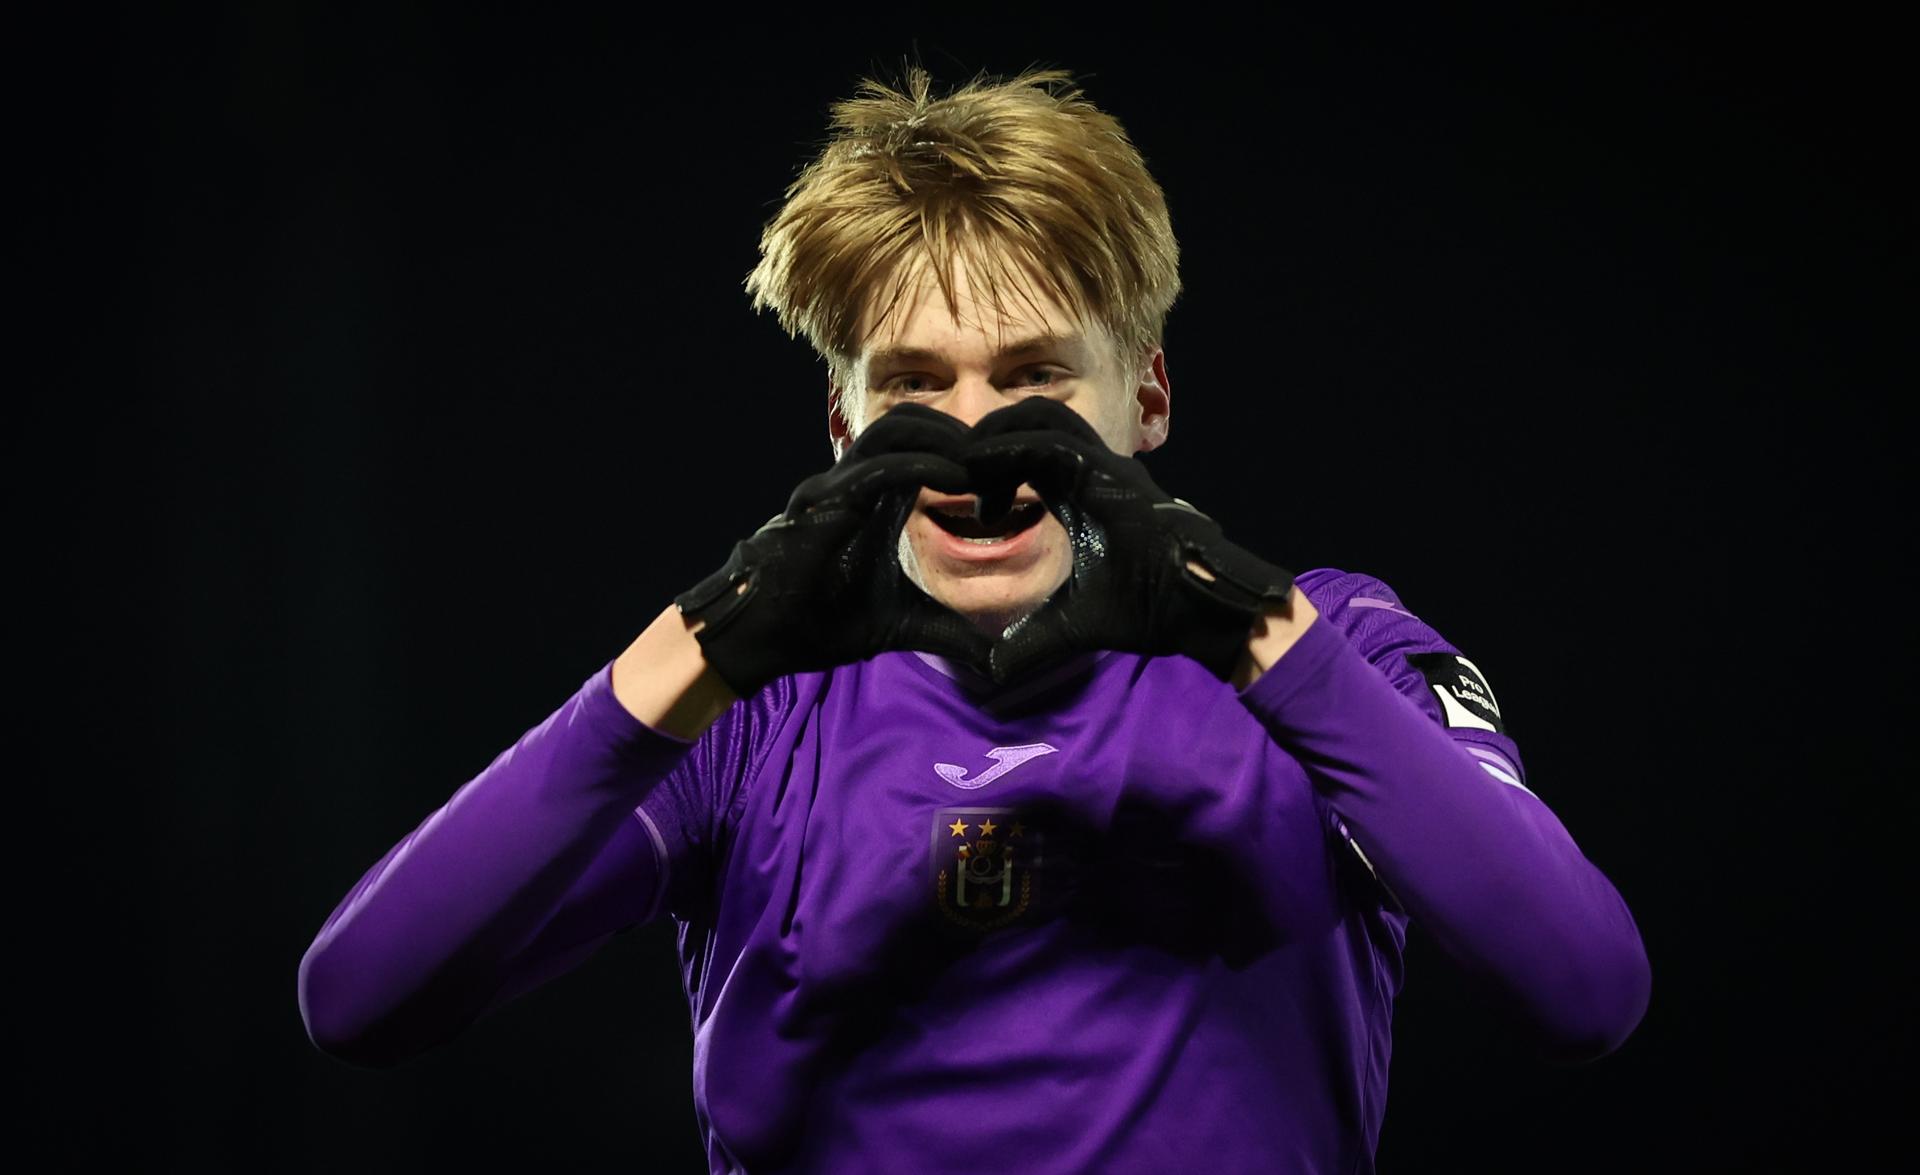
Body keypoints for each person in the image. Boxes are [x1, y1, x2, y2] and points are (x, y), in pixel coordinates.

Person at [298, 64, 1651, 1173]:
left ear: (1150, 399)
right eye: (913, 388)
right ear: (842, 428)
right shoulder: (745, 712)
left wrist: (1253, 636)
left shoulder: (1334, 649)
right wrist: (699, 647)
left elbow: (1582, 989)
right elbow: (363, 998)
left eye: (1035, 378)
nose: (977, 441)